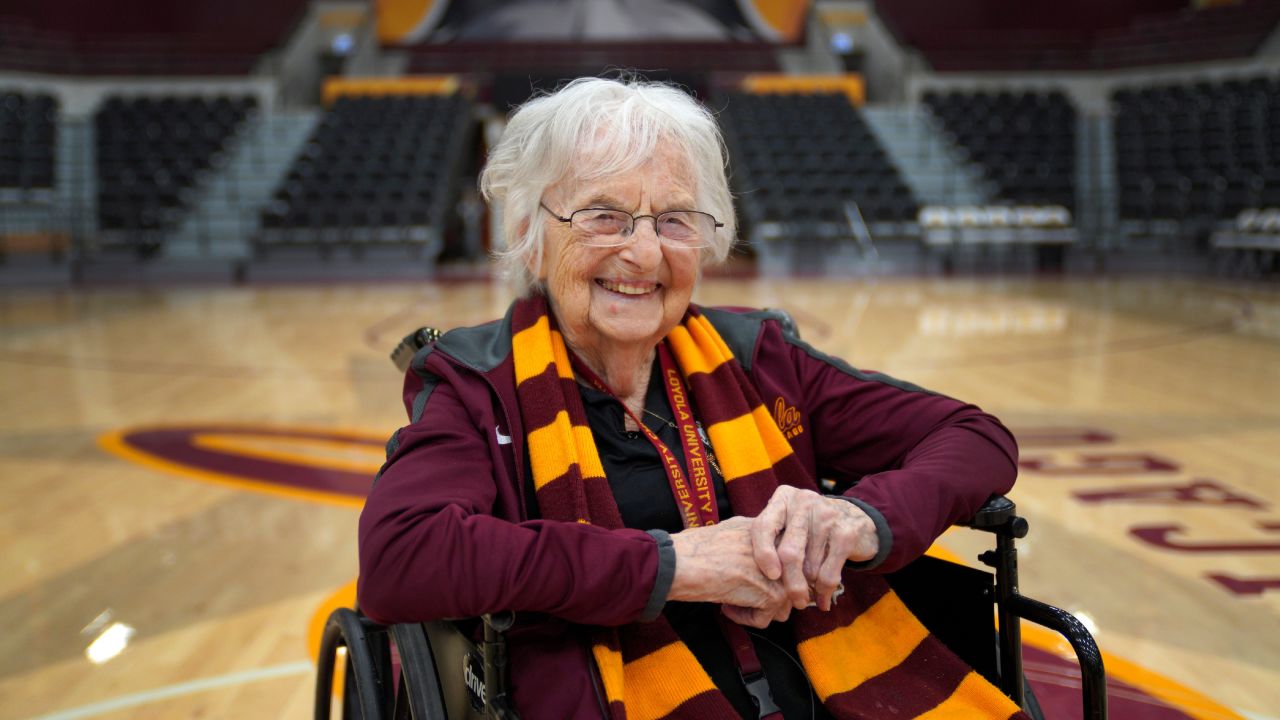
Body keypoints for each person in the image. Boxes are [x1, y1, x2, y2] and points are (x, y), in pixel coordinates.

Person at [358, 76, 1026, 720]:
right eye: (603, 216)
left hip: (823, 688)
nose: (644, 253)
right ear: (532, 237)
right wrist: (673, 565)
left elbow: (975, 437)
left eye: (675, 220)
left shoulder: (758, 359)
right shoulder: (481, 385)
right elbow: (401, 556)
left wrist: (856, 519)